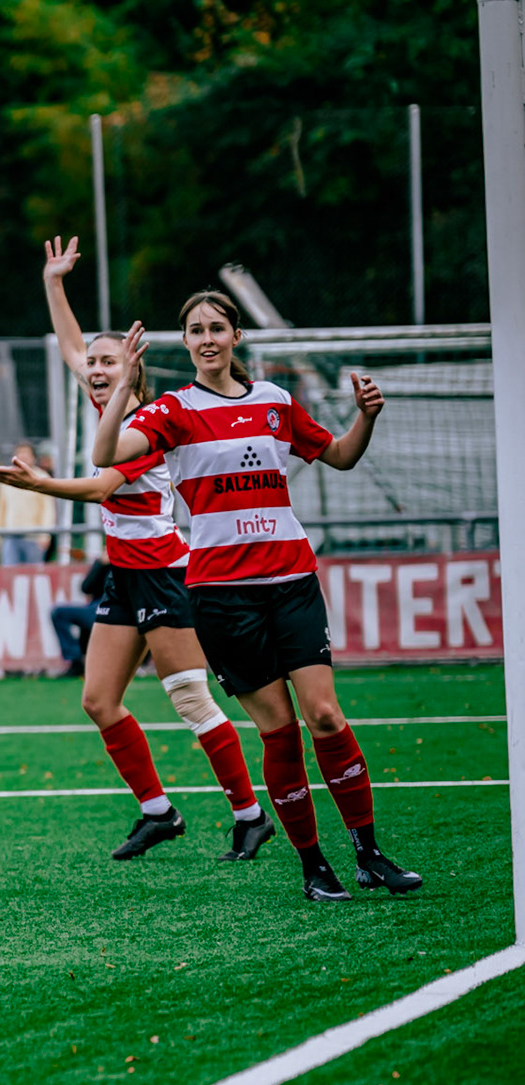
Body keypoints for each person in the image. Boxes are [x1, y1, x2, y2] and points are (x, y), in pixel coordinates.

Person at [93, 294, 421, 901]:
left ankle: (369, 854)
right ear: (186, 342)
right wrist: (122, 388)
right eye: (194, 330)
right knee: (280, 733)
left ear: (236, 335)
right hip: (221, 595)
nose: (206, 338)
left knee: (325, 715)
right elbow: (104, 456)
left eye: (216, 327)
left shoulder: (274, 401)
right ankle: (312, 865)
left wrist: (366, 417)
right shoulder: (172, 410)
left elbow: (342, 457)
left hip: (292, 580)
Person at [0, 236, 273, 863]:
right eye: (92, 360)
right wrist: (53, 282)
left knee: (191, 699)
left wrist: (38, 484)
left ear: (131, 369)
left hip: (167, 574)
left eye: (107, 361)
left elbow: (99, 486)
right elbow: (68, 343)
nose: (93, 365)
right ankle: (158, 812)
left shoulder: (140, 421)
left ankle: (250, 816)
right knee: (98, 700)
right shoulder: (102, 398)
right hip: (125, 575)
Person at [0, 442, 54, 564]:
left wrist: (45, 535)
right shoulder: (7, 478)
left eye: (26, 453)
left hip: (33, 537)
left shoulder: (42, 477)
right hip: (10, 536)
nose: (23, 457)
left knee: (34, 576)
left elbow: (48, 509)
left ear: (33, 457)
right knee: (9, 576)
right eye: (20, 453)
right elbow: (0, 509)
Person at [49, 558, 109, 678]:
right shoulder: (104, 563)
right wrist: (100, 564)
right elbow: (86, 587)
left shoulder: (127, 561)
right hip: (96, 608)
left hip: (114, 608)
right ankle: (75, 660)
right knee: (59, 613)